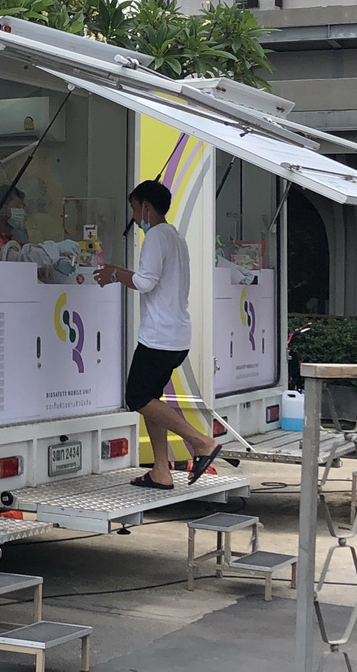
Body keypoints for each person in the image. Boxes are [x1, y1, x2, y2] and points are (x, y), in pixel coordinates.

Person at [93, 180, 220, 489]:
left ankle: (201, 442)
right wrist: (120, 272)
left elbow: (145, 282)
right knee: (153, 399)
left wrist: (114, 273)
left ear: (146, 207)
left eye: (135, 209)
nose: (134, 217)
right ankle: (160, 472)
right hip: (176, 335)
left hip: (158, 337)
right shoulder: (175, 237)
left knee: (137, 397)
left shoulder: (155, 238)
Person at [0, 185, 80, 284]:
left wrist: (55, 268)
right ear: (1, 208)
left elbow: (34, 269)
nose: (22, 212)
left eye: (23, 208)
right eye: (17, 206)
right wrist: (54, 249)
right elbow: (16, 260)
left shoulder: (14, 239)